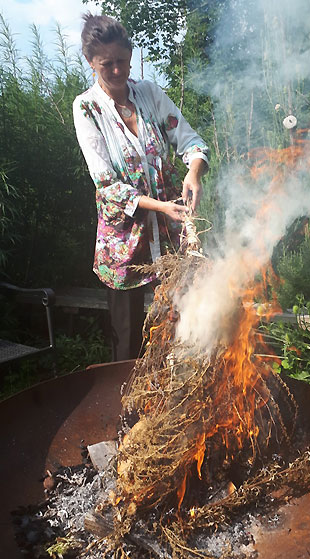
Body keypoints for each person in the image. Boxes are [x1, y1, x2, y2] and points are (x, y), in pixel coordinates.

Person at [73, 13, 209, 361]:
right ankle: (129, 411)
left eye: (122, 61)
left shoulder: (149, 93)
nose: (117, 71)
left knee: (180, 323)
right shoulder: (86, 107)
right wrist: (161, 205)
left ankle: (176, 400)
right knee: (127, 339)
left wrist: (194, 172)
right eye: (107, 64)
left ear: (130, 55)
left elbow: (190, 140)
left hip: (167, 233)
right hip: (123, 243)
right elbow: (106, 184)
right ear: (91, 62)